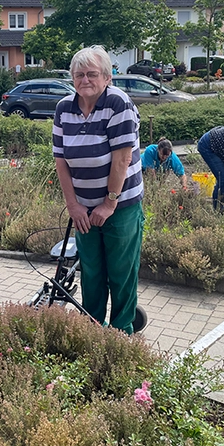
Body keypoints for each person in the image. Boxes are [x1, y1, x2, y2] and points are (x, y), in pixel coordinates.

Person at [53, 45, 145, 335]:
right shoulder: (63, 108)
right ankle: (91, 329)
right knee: (91, 270)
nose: (85, 80)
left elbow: (122, 159)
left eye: (92, 74)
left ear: (107, 78)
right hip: (83, 206)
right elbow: (60, 161)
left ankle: (121, 332)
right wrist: (74, 206)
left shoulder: (119, 104)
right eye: (79, 75)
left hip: (121, 204)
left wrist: (109, 203)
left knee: (121, 270)